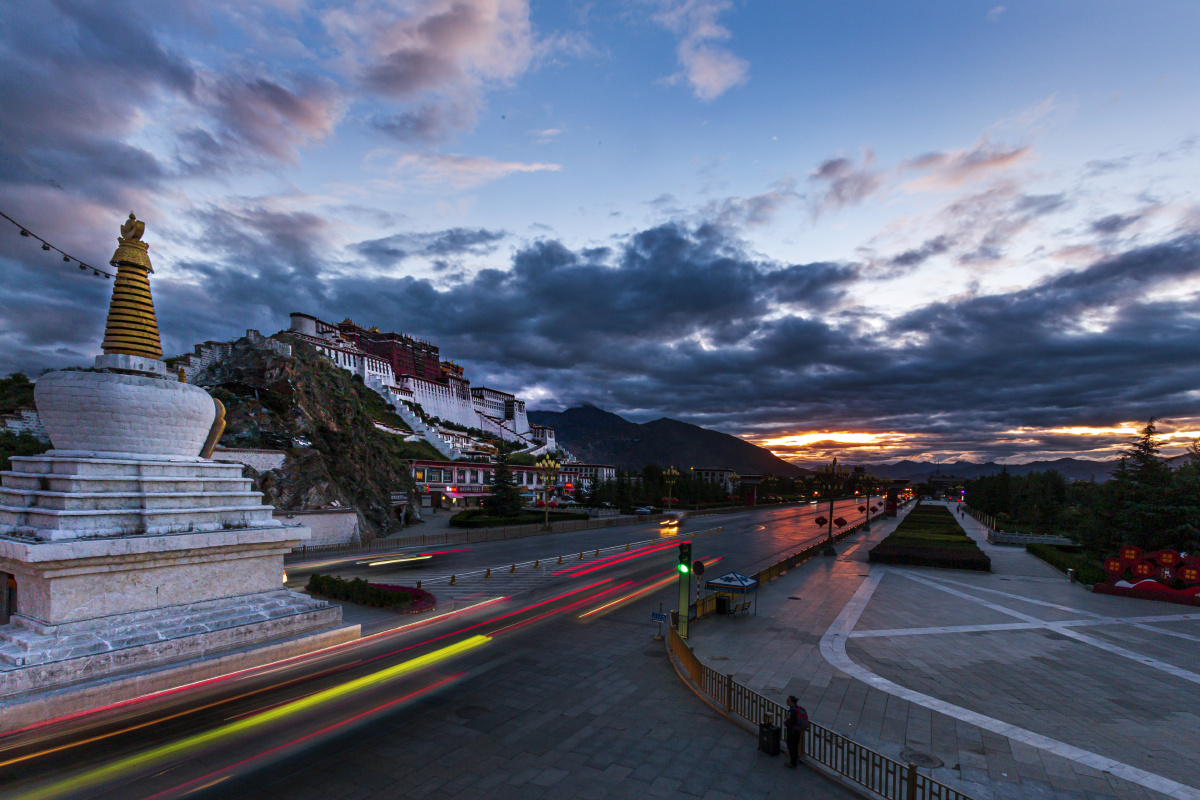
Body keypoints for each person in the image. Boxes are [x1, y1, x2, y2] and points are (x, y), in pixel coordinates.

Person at [783, 696, 808, 768]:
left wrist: (785, 723)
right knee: (795, 746)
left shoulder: (791, 712)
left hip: (792, 732)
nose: (787, 702)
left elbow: (790, 723)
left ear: (792, 702)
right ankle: (795, 760)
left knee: (791, 746)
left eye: (788, 700)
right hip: (798, 731)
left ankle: (793, 762)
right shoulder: (798, 708)